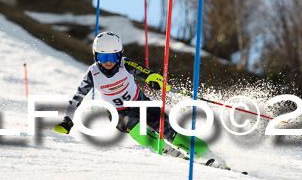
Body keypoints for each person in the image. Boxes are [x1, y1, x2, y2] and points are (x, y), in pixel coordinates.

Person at [54, 31, 208, 156]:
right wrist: (67, 120)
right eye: (103, 57)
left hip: (140, 102)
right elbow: (75, 100)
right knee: (133, 125)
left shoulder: (125, 64)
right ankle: (163, 148)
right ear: (96, 56)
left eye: (113, 56)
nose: (108, 62)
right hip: (117, 113)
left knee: (168, 129)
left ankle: (204, 153)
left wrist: (155, 80)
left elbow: (147, 73)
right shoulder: (92, 74)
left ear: (119, 55)